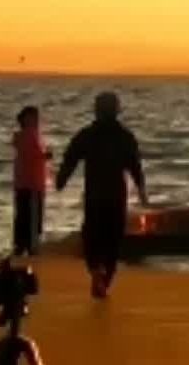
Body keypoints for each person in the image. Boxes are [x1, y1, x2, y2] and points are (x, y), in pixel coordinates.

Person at [53, 91, 150, 300]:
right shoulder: (125, 136)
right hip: (116, 194)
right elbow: (135, 166)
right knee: (113, 239)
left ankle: (95, 269)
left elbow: (71, 157)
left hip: (95, 194)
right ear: (117, 110)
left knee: (91, 235)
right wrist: (141, 190)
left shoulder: (87, 134)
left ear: (96, 110)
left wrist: (61, 179)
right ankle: (104, 280)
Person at [8, 105, 49, 261]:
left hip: (24, 183)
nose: (38, 121)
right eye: (34, 117)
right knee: (32, 216)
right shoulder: (29, 135)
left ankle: (21, 244)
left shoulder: (27, 136)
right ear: (26, 119)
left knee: (23, 215)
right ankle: (30, 246)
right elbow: (33, 155)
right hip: (32, 183)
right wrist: (45, 156)